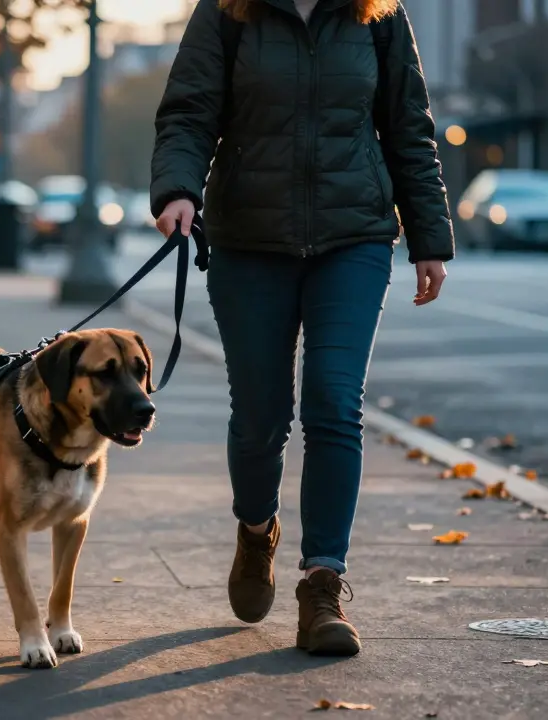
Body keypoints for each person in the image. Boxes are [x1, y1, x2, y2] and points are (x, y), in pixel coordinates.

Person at [150, 0, 453, 657]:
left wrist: (429, 235)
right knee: (260, 415)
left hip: (355, 238)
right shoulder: (231, 11)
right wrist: (178, 189)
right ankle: (256, 530)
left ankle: (322, 583)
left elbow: (408, 125)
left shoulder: (376, 15)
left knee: (335, 402)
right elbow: (190, 109)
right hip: (249, 241)